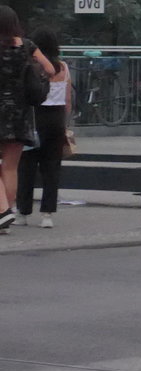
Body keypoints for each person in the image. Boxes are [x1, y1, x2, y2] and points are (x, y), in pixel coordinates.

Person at [0, 6, 55, 234]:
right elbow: (50, 69)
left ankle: (3, 213)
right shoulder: (27, 46)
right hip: (21, 114)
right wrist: (32, 77)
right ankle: (8, 211)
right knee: (11, 167)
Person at [17, 28, 72, 228]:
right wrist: (65, 125)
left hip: (34, 118)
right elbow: (67, 100)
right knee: (52, 168)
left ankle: (22, 213)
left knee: (26, 167)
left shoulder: (32, 66)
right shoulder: (63, 67)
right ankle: (47, 215)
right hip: (56, 120)